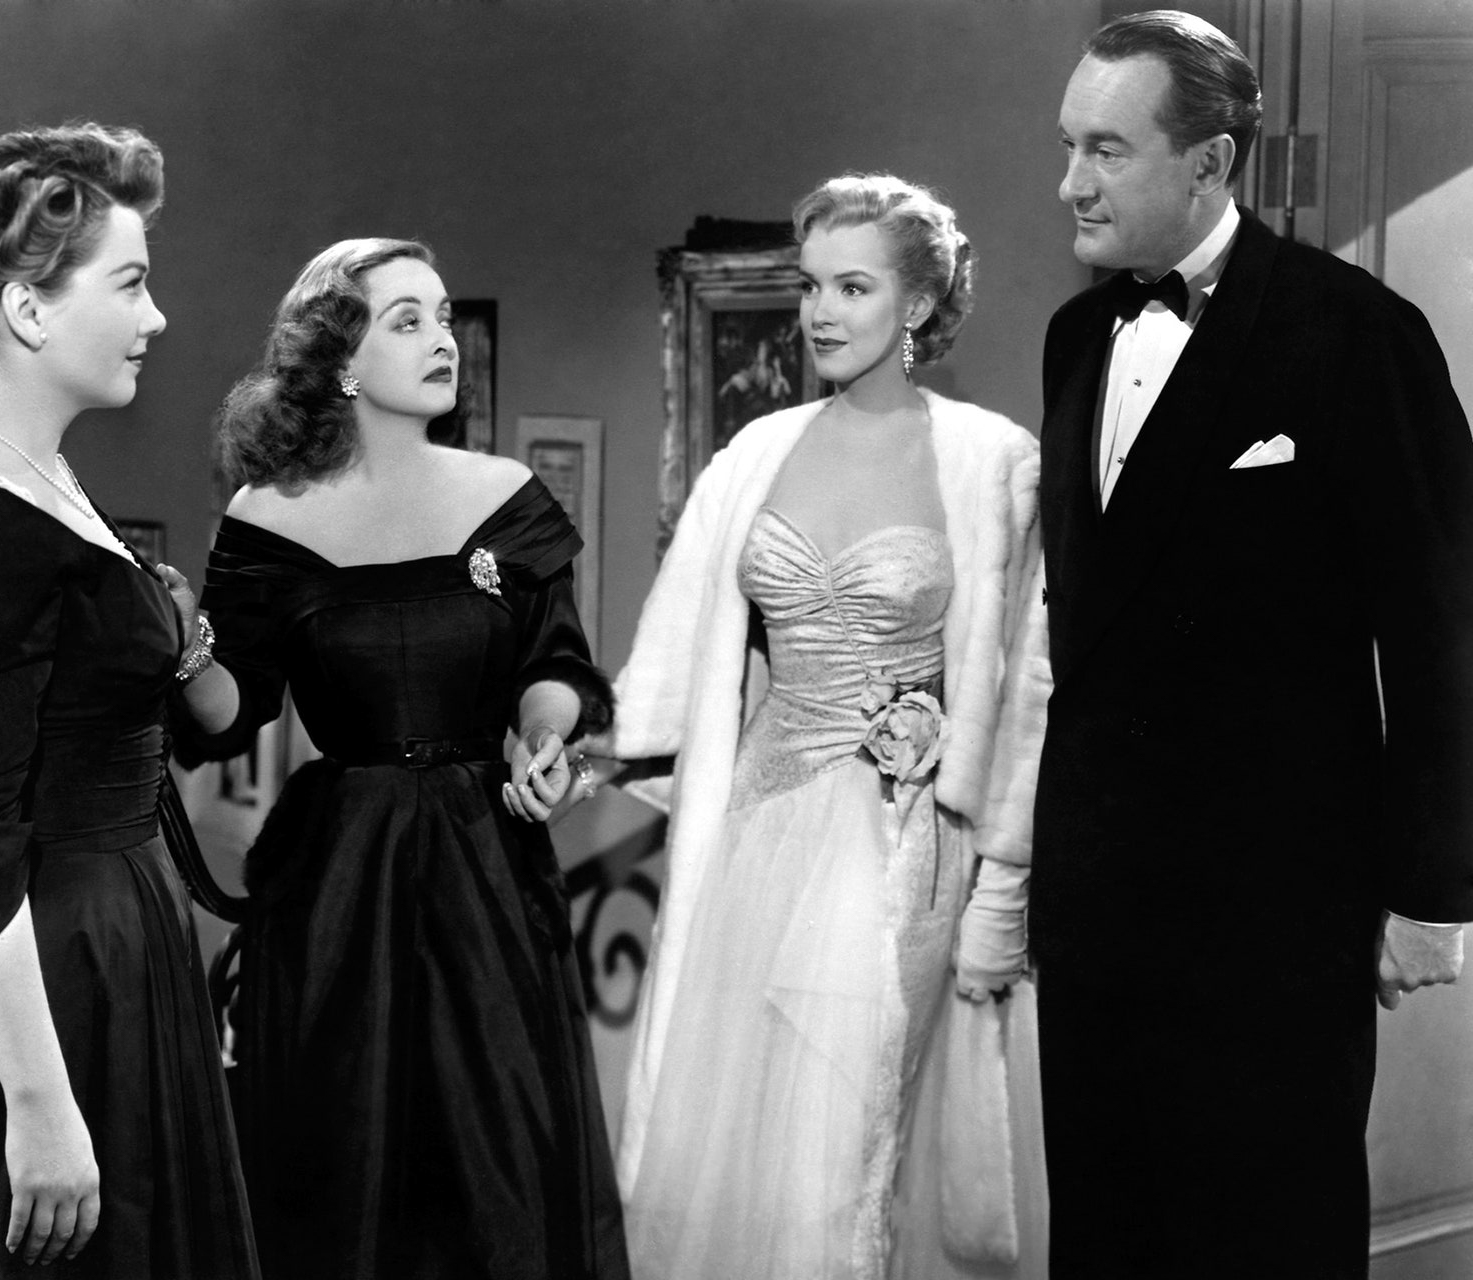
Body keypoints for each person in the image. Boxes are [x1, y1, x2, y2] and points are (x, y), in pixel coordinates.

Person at [1034, 11, 1473, 1277]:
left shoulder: (1356, 334)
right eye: (1067, 146)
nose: (1070, 183)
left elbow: (1445, 628)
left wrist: (1431, 893)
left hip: (1276, 917)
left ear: (1210, 163)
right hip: (1098, 906)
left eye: (1105, 149)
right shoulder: (1074, 339)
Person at [595, 173, 1051, 1279]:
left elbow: (1019, 690)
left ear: (918, 303)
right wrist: (584, 740)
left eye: (852, 287)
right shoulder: (755, 453)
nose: (819, 313)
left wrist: (999, 882)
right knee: (739, 1149)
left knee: (847, 1155)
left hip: (897, 845)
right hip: (755, 830)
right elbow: (678, 652)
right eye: (809, 286)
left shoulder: (992, 460)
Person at [166, 237, 629, 1280]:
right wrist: (187, 647)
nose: (441, 339)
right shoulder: (267, 517)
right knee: (341, 1171)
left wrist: (544, 736)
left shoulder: (507, 496)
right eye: (405, 320)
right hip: (337, 887)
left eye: (444, 316)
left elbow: (556, 666)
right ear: (340, 360)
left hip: (488, 872)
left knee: (503, 1165)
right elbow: (232, 710)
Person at [0, 124, 260, 1277]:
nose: (157, 317)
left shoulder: (46, 483)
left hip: (117, 944)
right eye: (130, 283)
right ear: (28, 310)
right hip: (48, 981)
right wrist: (41, 1108)